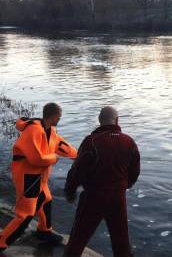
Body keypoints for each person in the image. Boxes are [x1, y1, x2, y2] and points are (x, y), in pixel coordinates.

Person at [64, 106, 140, 257]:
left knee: (78, 239)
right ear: (117, 120)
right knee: (121, 242)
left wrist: (70, 191)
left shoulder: (91, 141)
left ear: (99, 121)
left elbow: (77, 170)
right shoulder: (129, 142)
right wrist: (125, 185)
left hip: (93, 198)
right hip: (118, 199)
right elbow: (135, 171)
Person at [0, 103, 77, 252]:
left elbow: (62, 145)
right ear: (53, 115)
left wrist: (79, 156)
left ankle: (44, 231)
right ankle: (2, 242)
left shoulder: (51, 131)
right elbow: (36, 159)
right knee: (26, 214)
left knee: (46, 199)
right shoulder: (33, 130)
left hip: (39, 178)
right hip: (27, 177)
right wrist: (54, 158)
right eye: (59, 115)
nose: (60, 117)